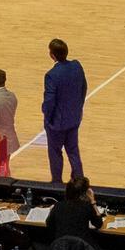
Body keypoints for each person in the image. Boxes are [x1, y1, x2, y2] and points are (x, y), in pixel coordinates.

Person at [43, 39, 86, 183]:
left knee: (55, 153)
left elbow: (49, 101)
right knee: (73, 151)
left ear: (52, 55)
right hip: (74, 118)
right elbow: (84, 88)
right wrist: (78, 107)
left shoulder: (52, 75)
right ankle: (79, 180)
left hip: (57, 123)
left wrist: (47, 117)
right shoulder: (76, 66)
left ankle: (56, 182)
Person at [45, 175, 101, 243]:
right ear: (86, 192)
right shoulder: (86, 207)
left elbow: (49, 224)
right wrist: (93, 201)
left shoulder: (58, 206)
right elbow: (99, 224)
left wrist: (51, 212)